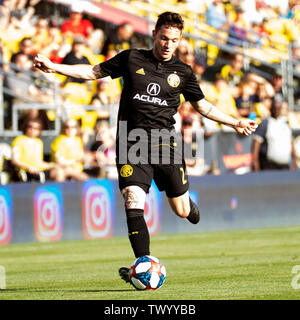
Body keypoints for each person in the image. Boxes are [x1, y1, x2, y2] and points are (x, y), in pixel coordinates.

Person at [33, 11, 258, 290]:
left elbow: (203, 107)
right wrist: (55, 67)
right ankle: (143, 264)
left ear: (179, 41)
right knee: (132, 198)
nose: (167, 44)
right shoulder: (130, 58)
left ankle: (188, 210)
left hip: (165, 142)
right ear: (154, 34)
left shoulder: (183, 73)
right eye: (164, 38)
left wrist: (235, 122)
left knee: (181, 209)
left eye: (174, 40)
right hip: (131, 141)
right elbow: (92, 72)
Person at [252, 96, 297, 171]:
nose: (276, 110)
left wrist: (295, 159)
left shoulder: (285, 124)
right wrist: (255, 162)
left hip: (285, 167)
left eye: (278, 107)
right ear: (271, 108)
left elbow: (291, 142)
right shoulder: (265, 123)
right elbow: (256, 143)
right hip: (268, 166)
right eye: (274, 107)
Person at [11, 117, 55, 182]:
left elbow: (39, 162)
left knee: (57, 171)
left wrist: (51, 165)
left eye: (36, 128)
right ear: (25, 127)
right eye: (30, 127)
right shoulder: (18, 140)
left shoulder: (39, 142)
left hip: (37, 170)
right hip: (24, 171)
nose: (32, 130)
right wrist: (28, 167)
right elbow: (15, 160)